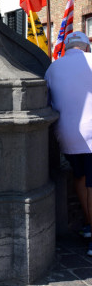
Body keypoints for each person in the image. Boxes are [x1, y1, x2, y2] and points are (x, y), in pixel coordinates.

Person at [45, 30, 92, 253]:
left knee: (81, 178)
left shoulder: (53, 67)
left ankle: (89, 225)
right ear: (87, 47)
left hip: (66, 136)